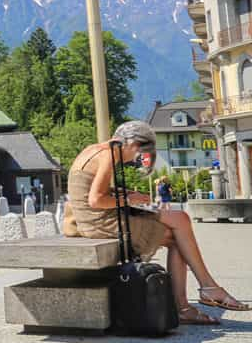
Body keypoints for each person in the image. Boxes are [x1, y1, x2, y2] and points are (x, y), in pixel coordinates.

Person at [64, 120, 249, 325]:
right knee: (179, 231)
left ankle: (197, 296)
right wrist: (129, 200)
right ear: (133, 144)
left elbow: (89, 191)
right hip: (100, 222)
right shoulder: (109, 154)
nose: (133, 161)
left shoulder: (97, 149)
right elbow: (95, 200)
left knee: (181, 223)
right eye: (137, 155)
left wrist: (125, 194)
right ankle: (197, 296)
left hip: (95, 218)